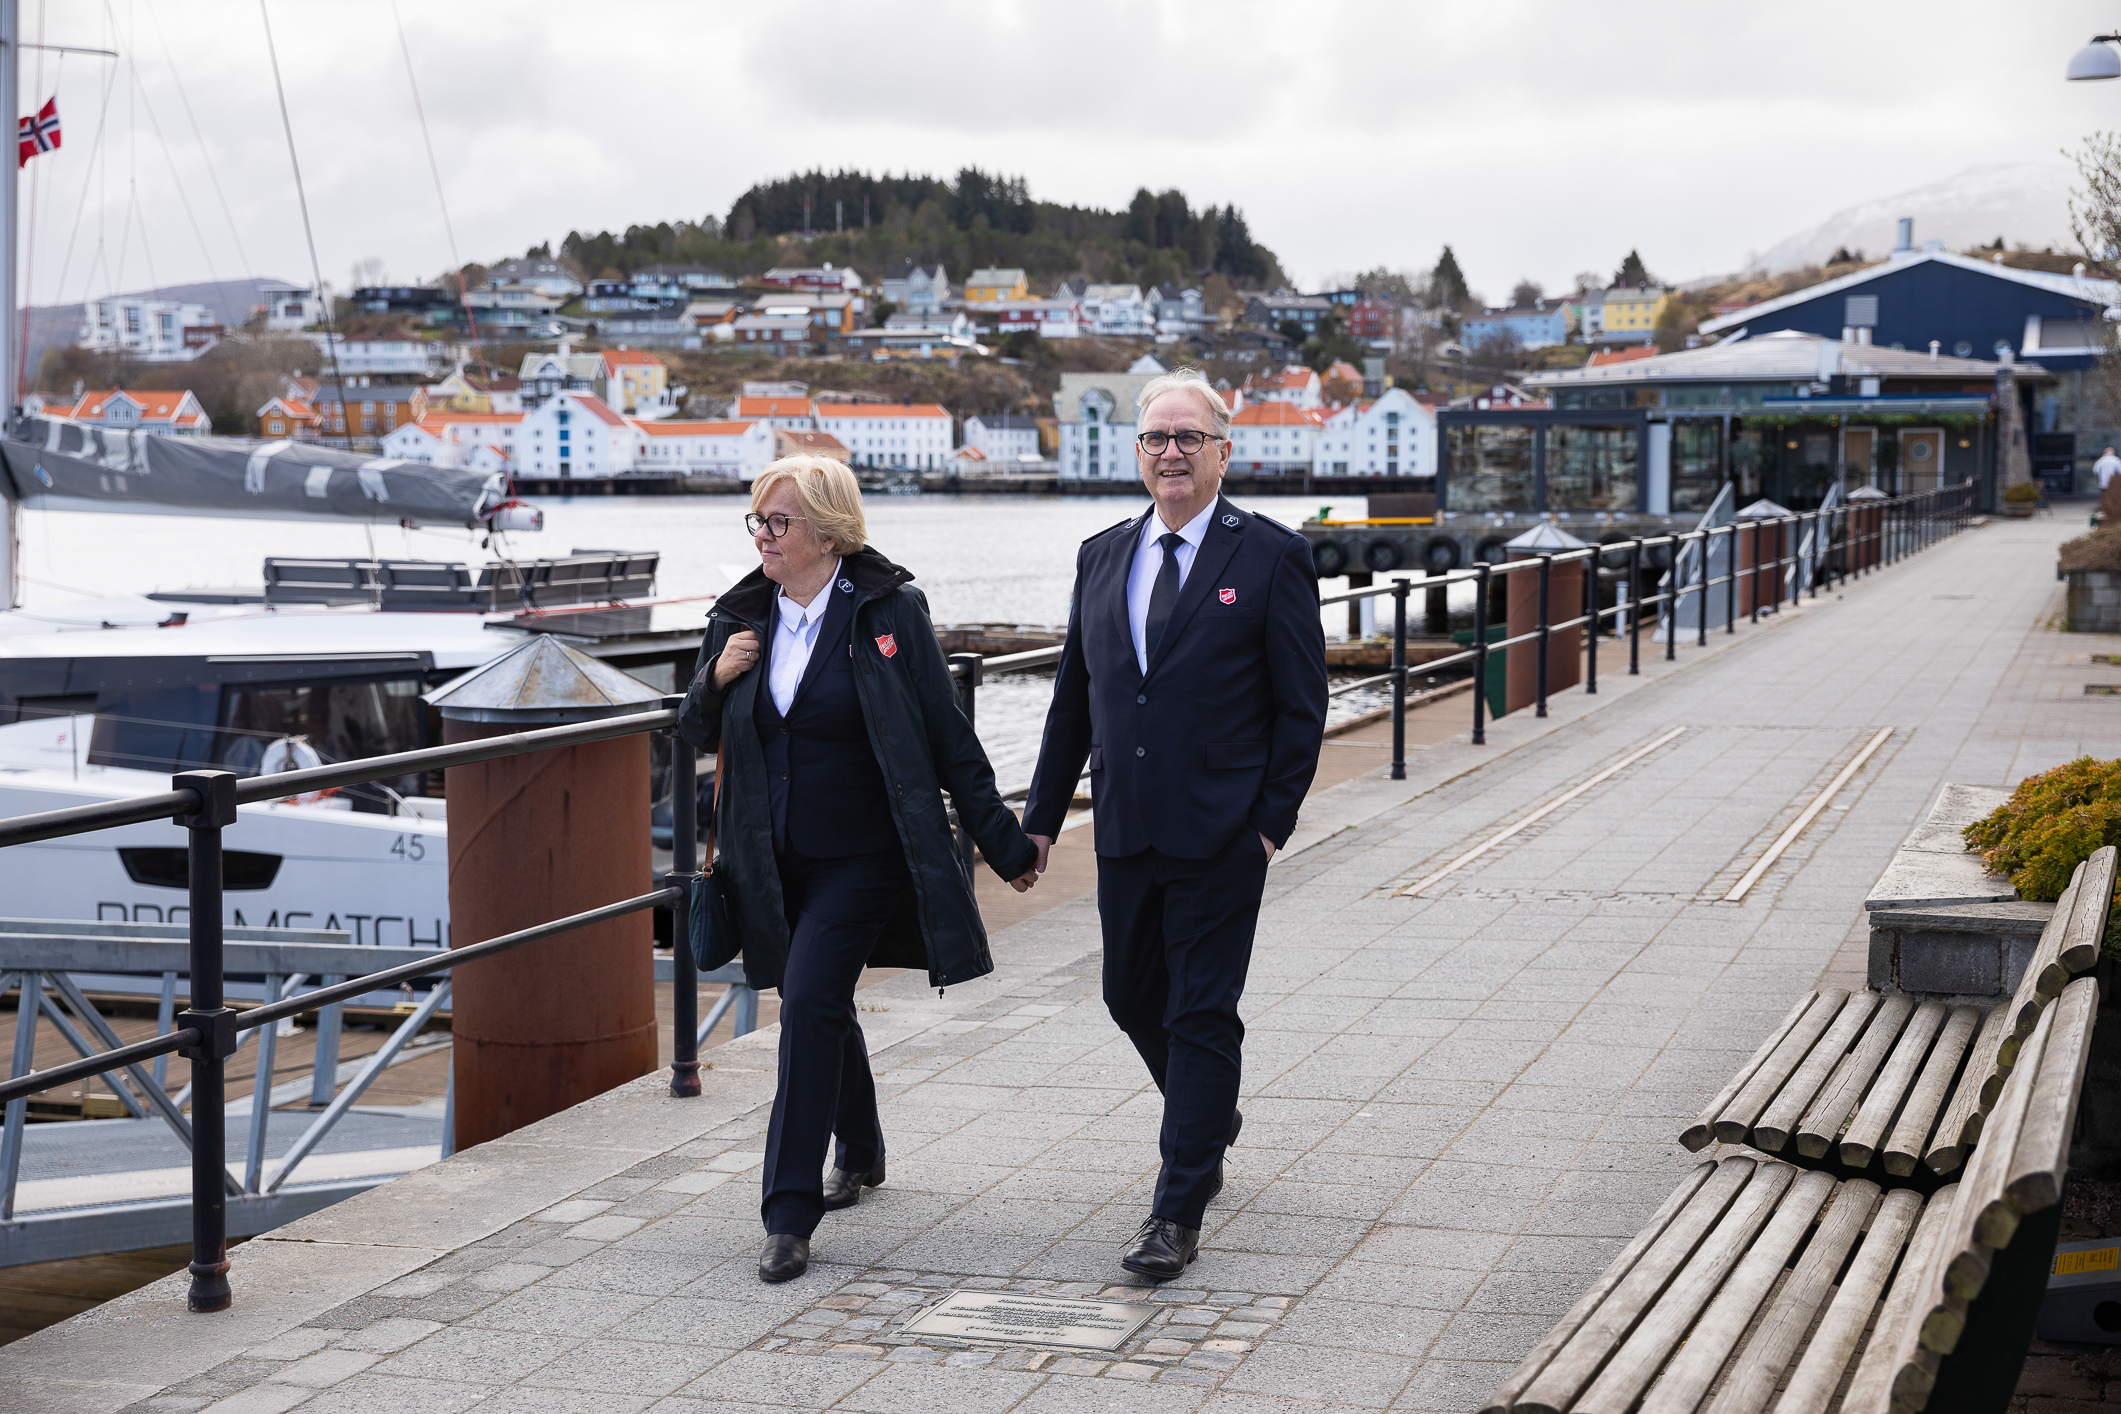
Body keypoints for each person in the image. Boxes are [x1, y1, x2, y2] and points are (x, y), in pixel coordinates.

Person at [679, 455, 1039, 1284]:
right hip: (769, 862)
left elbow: (945, 734)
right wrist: (716, 676)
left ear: (828, 531)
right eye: (757, 521)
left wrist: (1003, 842)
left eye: (779, 522)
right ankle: (865, 1149)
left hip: (864, 857)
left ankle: (787, 1212)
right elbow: (696, 730)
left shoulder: (886, 610)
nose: (763, 536)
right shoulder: (739, 617)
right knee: (821, 999)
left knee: (805, 1004)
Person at [1022, 369, 1327, 1279]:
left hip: (1223, 830)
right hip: (1123, 824)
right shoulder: (1102, 554)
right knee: (1127, 995)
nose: (1172, 453)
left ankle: (1177, 1207)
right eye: (1156, 439)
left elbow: (1299, 706)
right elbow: (1073, 700)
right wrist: (1039, 821)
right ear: (1138, 452)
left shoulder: (1269, 556)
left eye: (1189, 437)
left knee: (1200, 1014)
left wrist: (1269, 823)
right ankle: (1210, 1115)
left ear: (1223, 451)